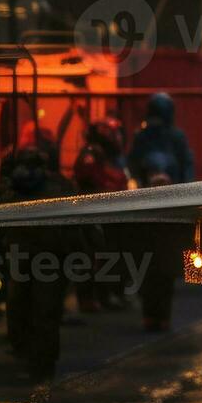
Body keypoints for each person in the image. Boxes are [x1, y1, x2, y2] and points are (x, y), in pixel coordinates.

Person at [0, 142, 84, 382]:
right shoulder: (16, 187)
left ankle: (41, 365)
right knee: (24, 309)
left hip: (48, 257)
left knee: (41, 312)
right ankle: (33, 359)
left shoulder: (56, 186)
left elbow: (75, 223)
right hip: (27, 256)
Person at [126, 93, 196, 331]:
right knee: (159, 263)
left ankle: (156, 314)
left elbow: (185, 166)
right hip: (156, 208)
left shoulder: (156, 137)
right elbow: (134, 166)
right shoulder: (154, 137)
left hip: (158, 208)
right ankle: (156, 315)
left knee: (158, 263)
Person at [72, 118, 130, 312]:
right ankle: (90, 297)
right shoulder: (91, 154)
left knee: (110, 252)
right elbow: (91, 180)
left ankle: (108, 294)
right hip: (93, 211)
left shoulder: (110, 158)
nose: (117, 138)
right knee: (92, 254)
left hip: (110, 210)